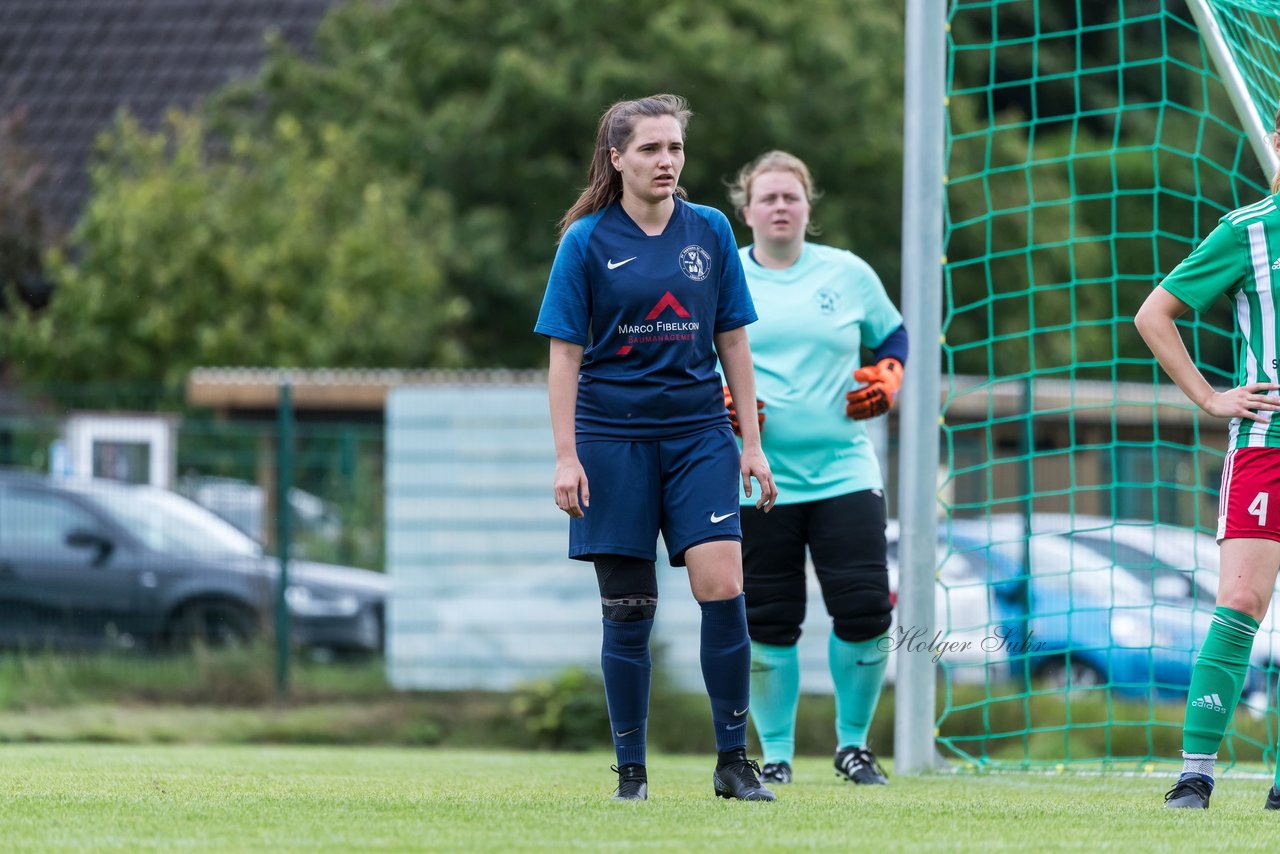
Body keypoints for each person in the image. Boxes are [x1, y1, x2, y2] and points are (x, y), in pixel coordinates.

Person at [534, 94, 779, 802]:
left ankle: (734, 765)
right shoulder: (584, 242)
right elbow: (564, 357)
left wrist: (750, 444)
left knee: (724, 584)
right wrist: (565, 454)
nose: (666, 161)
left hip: (700, 434)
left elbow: (732, 339)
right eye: (650, 149)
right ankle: (632, 774)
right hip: (611, 441)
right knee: (630, 608)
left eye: (674, 148)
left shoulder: (708, 230)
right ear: (617, 159)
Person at [724, 151, 906, 786]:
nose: (780, 207)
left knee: (864, 610)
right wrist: (717, 400)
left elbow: (893, 336)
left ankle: (853, 747)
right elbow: (693, 354)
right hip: (757, 479)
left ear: (808, 208)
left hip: (845, 472)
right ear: (746, 211)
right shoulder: (726, 275)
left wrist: (890, 373)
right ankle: (775, 755)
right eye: (768, 198)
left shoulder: (848, 273)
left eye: (791, 197)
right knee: (769, 620)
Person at [1134, 110, 1280, 810]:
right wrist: (1209, 397)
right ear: (1277, 142)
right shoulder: (1246, 229)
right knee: (1241, 602)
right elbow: (1153, 313)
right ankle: (1196, 774)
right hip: (1266, 446)